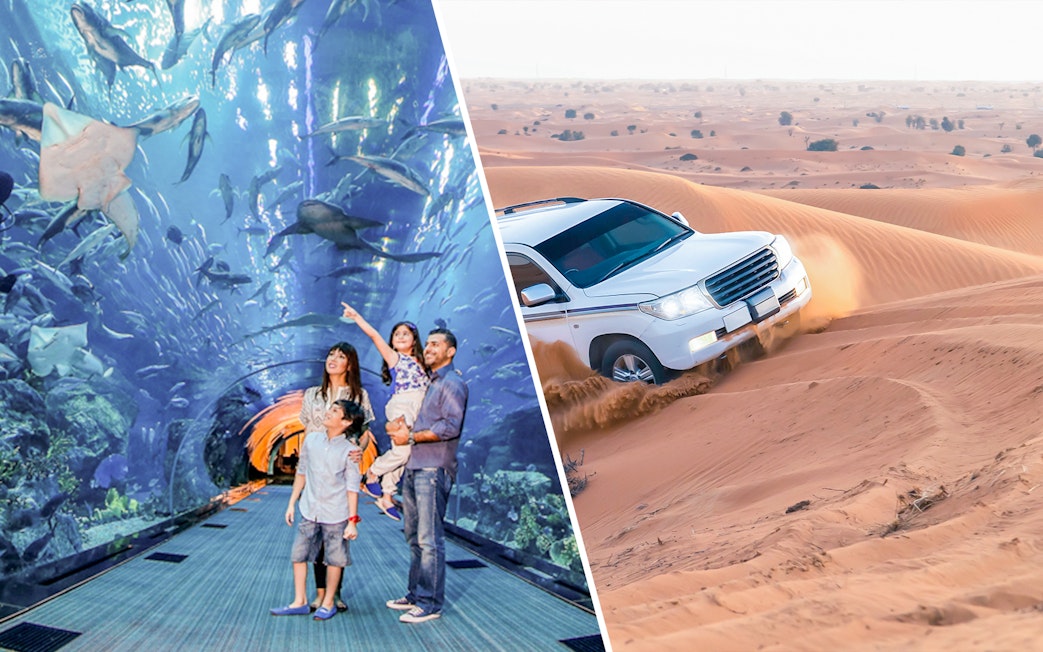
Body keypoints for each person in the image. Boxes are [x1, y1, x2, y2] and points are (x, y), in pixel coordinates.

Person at [384, 327, 468, 624]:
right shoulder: (429, 382)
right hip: (415, 466)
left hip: (433, 467)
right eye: (428, 344)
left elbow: (450, 427)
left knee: (429, 539)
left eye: (436, 344)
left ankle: (430, 603)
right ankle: (415, 594)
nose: (429, 348)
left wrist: (411, 437)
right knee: (413, 537)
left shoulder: (452, 383)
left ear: (451, 351)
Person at [298, 342, 376, 611]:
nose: (333, 359)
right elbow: (308, 428)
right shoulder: (311, 394)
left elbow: (363, 434)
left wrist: (358, 452)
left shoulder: (359, 395)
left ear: (350, 364)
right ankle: (320, 593)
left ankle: (335, 592)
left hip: (341, 470)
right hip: (316, 468)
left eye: (341, 356)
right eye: (331, 354)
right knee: (313, 535)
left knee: (336, 534)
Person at [270, 399, 363, 621]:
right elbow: (301, 472)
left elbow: (352, 488)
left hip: (336, 513)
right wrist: (292, 502)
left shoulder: (350, 451)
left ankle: (328, 602)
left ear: (346, 421)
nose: (328, 413)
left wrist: (352, 521)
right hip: (310, 509)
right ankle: (299, 600)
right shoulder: (311, 440)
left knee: (335, 558)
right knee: (298, 555)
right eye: (329, 409)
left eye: (334, 411)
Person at [340, 302, 430, 521]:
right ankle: (372, 472)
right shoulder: (395, 358)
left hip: (419, 407)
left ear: (414, 339)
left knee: (405, 455)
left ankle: (387, 495)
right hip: (403, 405)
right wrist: (357, 317)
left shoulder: (422, 361)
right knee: (403, 452)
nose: (400, 336)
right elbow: (374, 336)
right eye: (396, 334)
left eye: (405, 334)